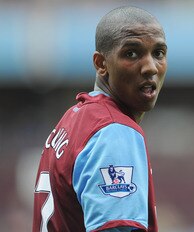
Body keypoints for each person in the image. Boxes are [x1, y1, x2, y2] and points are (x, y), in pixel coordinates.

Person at [33, 6, 167, 232]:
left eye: (159, 53)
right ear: (101, 64)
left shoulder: (74, 118)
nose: (150, 67)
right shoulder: (114, 131)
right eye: (132, 53)